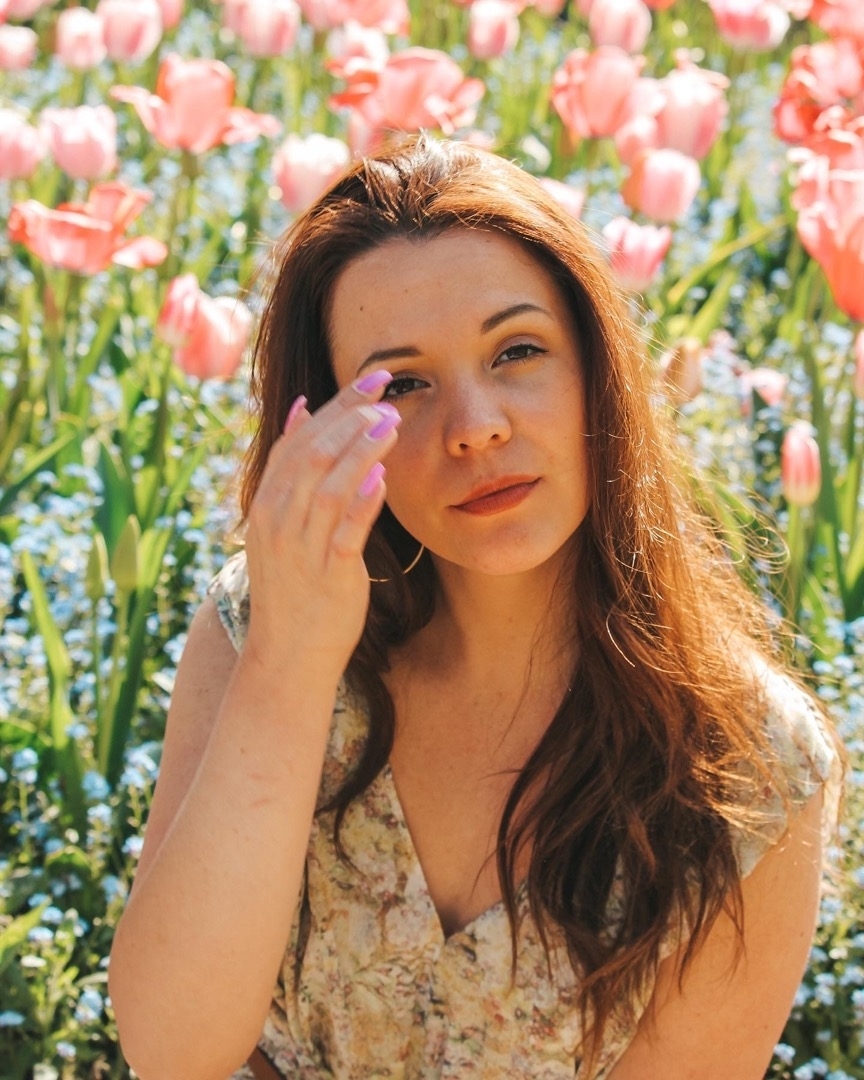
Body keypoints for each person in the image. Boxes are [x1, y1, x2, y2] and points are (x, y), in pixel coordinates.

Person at [109, 135, 844, 1080]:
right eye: (402, 384)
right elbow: (172, 1051)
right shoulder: (259, 631)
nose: (476, 427)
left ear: (599, 369)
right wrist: (290, 664)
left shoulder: (752, 768)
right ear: (328, 426)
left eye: (518, 351)